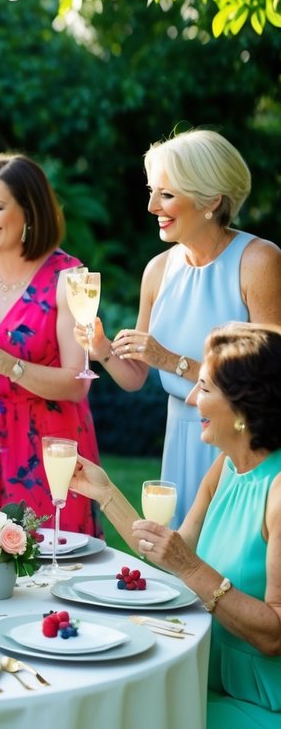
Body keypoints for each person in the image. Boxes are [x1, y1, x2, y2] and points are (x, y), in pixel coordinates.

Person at [70, 321, 281, 729]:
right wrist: (105, 493)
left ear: (245, 407)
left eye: (206, 387)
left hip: (268, 710)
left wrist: (193, 569)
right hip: (220, 690)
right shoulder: (224, 471)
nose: (191, 398)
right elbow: (168, 565)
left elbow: (273, 633)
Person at [78, 128, 281, 523]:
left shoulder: (259, 262)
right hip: (181, 438)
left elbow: (273, 375)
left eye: (167, 195)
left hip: (241, 439)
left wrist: (171, 361)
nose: (152, 206)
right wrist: (102, 350)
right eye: (152, 192)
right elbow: (136, 375)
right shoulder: (158, 270)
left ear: (211, 200)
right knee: (178, 562)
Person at [0, 152, 100, 530]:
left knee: (47, 562)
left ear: (29, 211)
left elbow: (77, 385)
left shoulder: (68, 276)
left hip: (47, 445)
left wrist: (9, 365)